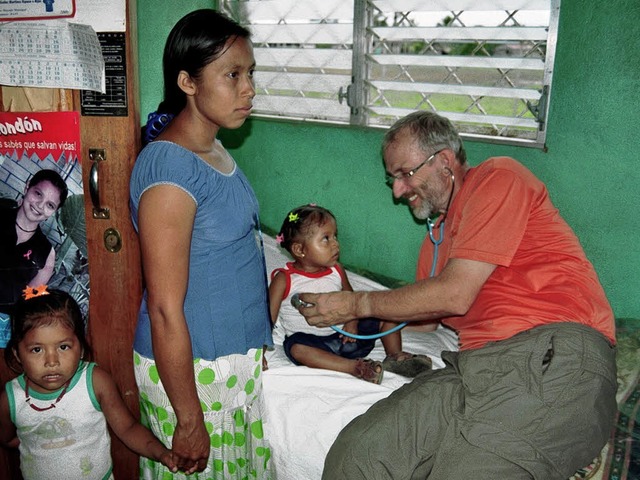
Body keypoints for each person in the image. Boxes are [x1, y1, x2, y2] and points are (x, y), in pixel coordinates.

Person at [296, 111, 617, 479]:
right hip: (475, 368)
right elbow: (426, 319)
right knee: (357, 454)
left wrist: (357, 303)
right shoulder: (435, 244)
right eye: (392, 179)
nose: (398, 191)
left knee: (468, 469)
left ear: (444, 161)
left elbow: (455, 294)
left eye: (404, 174)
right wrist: (344, 317)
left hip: (551, 352)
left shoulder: (499, 178)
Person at [129, 9, 274, 478]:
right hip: (195, 373)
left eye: (249, 73)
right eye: (232, 75)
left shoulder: (213, 149)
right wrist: (188, 419)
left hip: (229, 361)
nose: (248, 87)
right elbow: (165, 308)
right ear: (188, 83)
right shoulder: (171, 171)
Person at [0, 287, 178, 479]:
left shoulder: (95, 382)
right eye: (36, 350)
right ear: (17, 354)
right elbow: (8, 439)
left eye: (63, 347)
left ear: (81, 349)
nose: (52, 361)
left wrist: (161, 453)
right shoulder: (11, 400)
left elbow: (128, 428)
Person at [269, 204, 432, 383]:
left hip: (347, 336)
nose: (335, 244)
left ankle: (395, 356)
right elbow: (267, 318)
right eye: (326, 238)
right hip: (314, 344)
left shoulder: (336, 270)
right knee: (296, 348)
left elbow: (351, 299)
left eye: (335, 236)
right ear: (300, 250)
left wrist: (352, 321)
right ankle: (356, 368)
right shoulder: (284, 279)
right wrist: (259, 351)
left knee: (387, 311)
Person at [0, 169, 68, 348]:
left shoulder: (46, 254)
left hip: (4, 325)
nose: (40, 205)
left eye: (50, 205)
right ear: (27, 187)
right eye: (38, 194)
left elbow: (29, 299)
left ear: (53, 212)